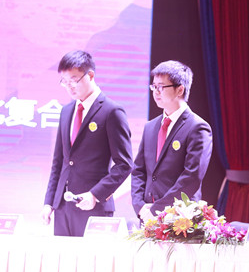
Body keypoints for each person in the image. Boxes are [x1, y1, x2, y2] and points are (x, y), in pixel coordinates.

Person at [42, 50, 134, 236]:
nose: (69, 87)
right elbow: (59, 162)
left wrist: (95, 194)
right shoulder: (66, 111)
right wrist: (49, 202)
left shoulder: (112, 111)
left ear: (90, 75)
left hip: (94, 207)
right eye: (64, 82)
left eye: (74, 80)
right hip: (63, 208)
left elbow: (124, 164)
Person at [131, 60, 213, 223]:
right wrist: (139, 206)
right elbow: (139, 170)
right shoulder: (150, 127)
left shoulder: (197, 127)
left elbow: (191, 177)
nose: (156, 92)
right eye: (154, 86)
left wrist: (157, 209)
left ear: (180, 89)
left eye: (161, 87)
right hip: (147, 216)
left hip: (180, 218)